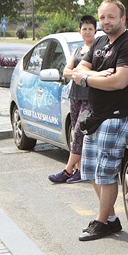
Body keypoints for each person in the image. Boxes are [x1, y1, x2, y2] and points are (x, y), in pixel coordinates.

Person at [72, 0, 128, 241]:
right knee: (91, 169)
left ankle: (101, 222)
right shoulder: (101, 41)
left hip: (116, 117)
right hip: (95, 115)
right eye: (102, 17)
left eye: (111, 17)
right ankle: (111, 219)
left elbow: (119, 82)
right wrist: (96, 74)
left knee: (106, 173)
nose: (106, 22)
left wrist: (86, 78)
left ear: (123, 18)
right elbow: (77, 69)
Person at [48, 15, 97, 184]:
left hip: (89, 97)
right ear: (80, 31)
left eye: (90, 28)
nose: (87, 31)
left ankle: (67, 171)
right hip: (75, 95)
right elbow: (66, 72)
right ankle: (79, 170)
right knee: (76, 134)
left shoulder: (97, 50)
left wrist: (77, 72)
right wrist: (78, 72)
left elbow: (87, 72)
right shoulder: (77, 50)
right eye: (84, 28)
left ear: (95, 30)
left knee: (78, 133)